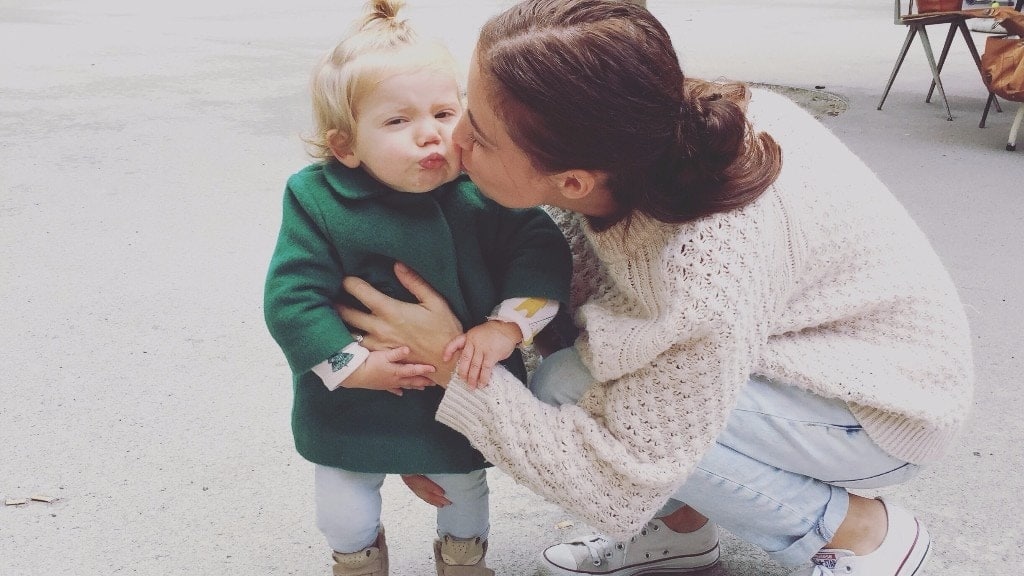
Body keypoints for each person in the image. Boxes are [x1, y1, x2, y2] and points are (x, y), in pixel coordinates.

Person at [336, 1, 975, 576]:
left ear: (574, 183)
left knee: (567, 386)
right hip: (786, 345)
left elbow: (615, 478)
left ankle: (855, 532)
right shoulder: (637, 126)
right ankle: (680, 532)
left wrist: (453, 371)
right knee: (574, 366)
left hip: (877, 404)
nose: (452, 138)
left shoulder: (704, 262)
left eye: (478, 134)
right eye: (463, 109)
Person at [262, 1, 572, 575]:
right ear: (346, 146)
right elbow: (292, 296)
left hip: (459, 383)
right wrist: (349, 364)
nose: (430, 135)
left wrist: (507, 326)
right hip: (352, 395)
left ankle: (463, 559)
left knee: (464, 487)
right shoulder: (318, 199)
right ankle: (355, 557)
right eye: (397, 122)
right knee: (343, 497)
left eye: (444, 112)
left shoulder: (479, 191)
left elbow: (542, 251)